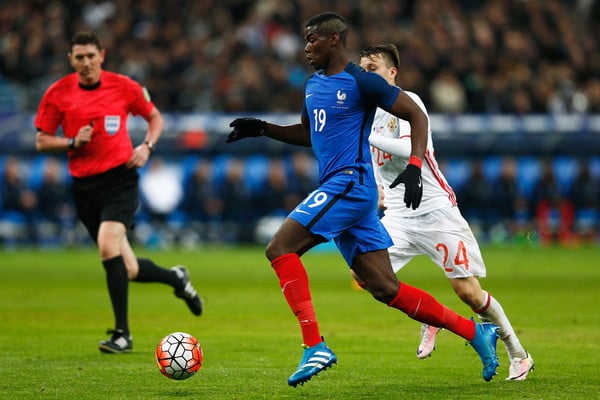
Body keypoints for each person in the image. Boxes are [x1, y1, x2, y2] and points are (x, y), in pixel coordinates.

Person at [226, 12, 500, 387]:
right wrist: (262, 128)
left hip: (350, 184)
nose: (306, 47)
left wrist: (415, 166)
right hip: (345, 190)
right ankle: (474, 333)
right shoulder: (312, 84)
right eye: (305, 40)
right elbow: (311, 134)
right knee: (386, 289)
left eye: (313, 40)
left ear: (334, 40)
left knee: (279, 248)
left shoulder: (362, 82)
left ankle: (314, 345)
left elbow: (417, 116)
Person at [356, 43, 534, 381]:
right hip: (397, 214)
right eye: (362, 69)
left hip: (435, 209)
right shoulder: (371, 112)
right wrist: (378, 186)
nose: (366, 75)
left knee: (468, 292)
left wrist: (369, 138)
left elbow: (410, 147)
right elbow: (377, 161)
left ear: (392, 73)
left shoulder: (409, 102)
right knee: (365, 275)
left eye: (373, 68)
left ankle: (519, 353)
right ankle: (428, 316)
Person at [34, 31, 203, 354]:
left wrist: (147, 147)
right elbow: (42, 140)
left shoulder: (124, 86)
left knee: (107, 244)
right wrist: (71, 142)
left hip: (120, 179)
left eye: (90, 56)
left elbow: (155, 117)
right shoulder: (58, 93)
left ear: (102, 55)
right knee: (128, 269)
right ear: (71, 60)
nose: (85, 63)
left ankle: (122, 334)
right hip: (84, 186)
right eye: (79, 57)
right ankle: (177, 278)